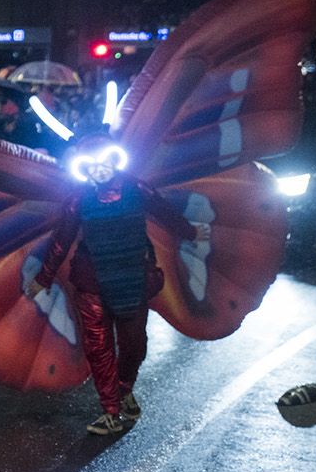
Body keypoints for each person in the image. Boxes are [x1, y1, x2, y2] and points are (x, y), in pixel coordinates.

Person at [25, 131, 210, 435]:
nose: (99, 170)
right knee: (99, 348)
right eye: (91, 166)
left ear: (113, 160)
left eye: (103, 163)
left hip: (133, 278)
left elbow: (164, 211)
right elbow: (62, 241)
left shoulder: (136, 188)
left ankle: (124, 390)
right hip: (91, 282)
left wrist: (189, 232)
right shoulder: (78, 200)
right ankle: (110, 409)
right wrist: (43, 278)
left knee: (135, 344)